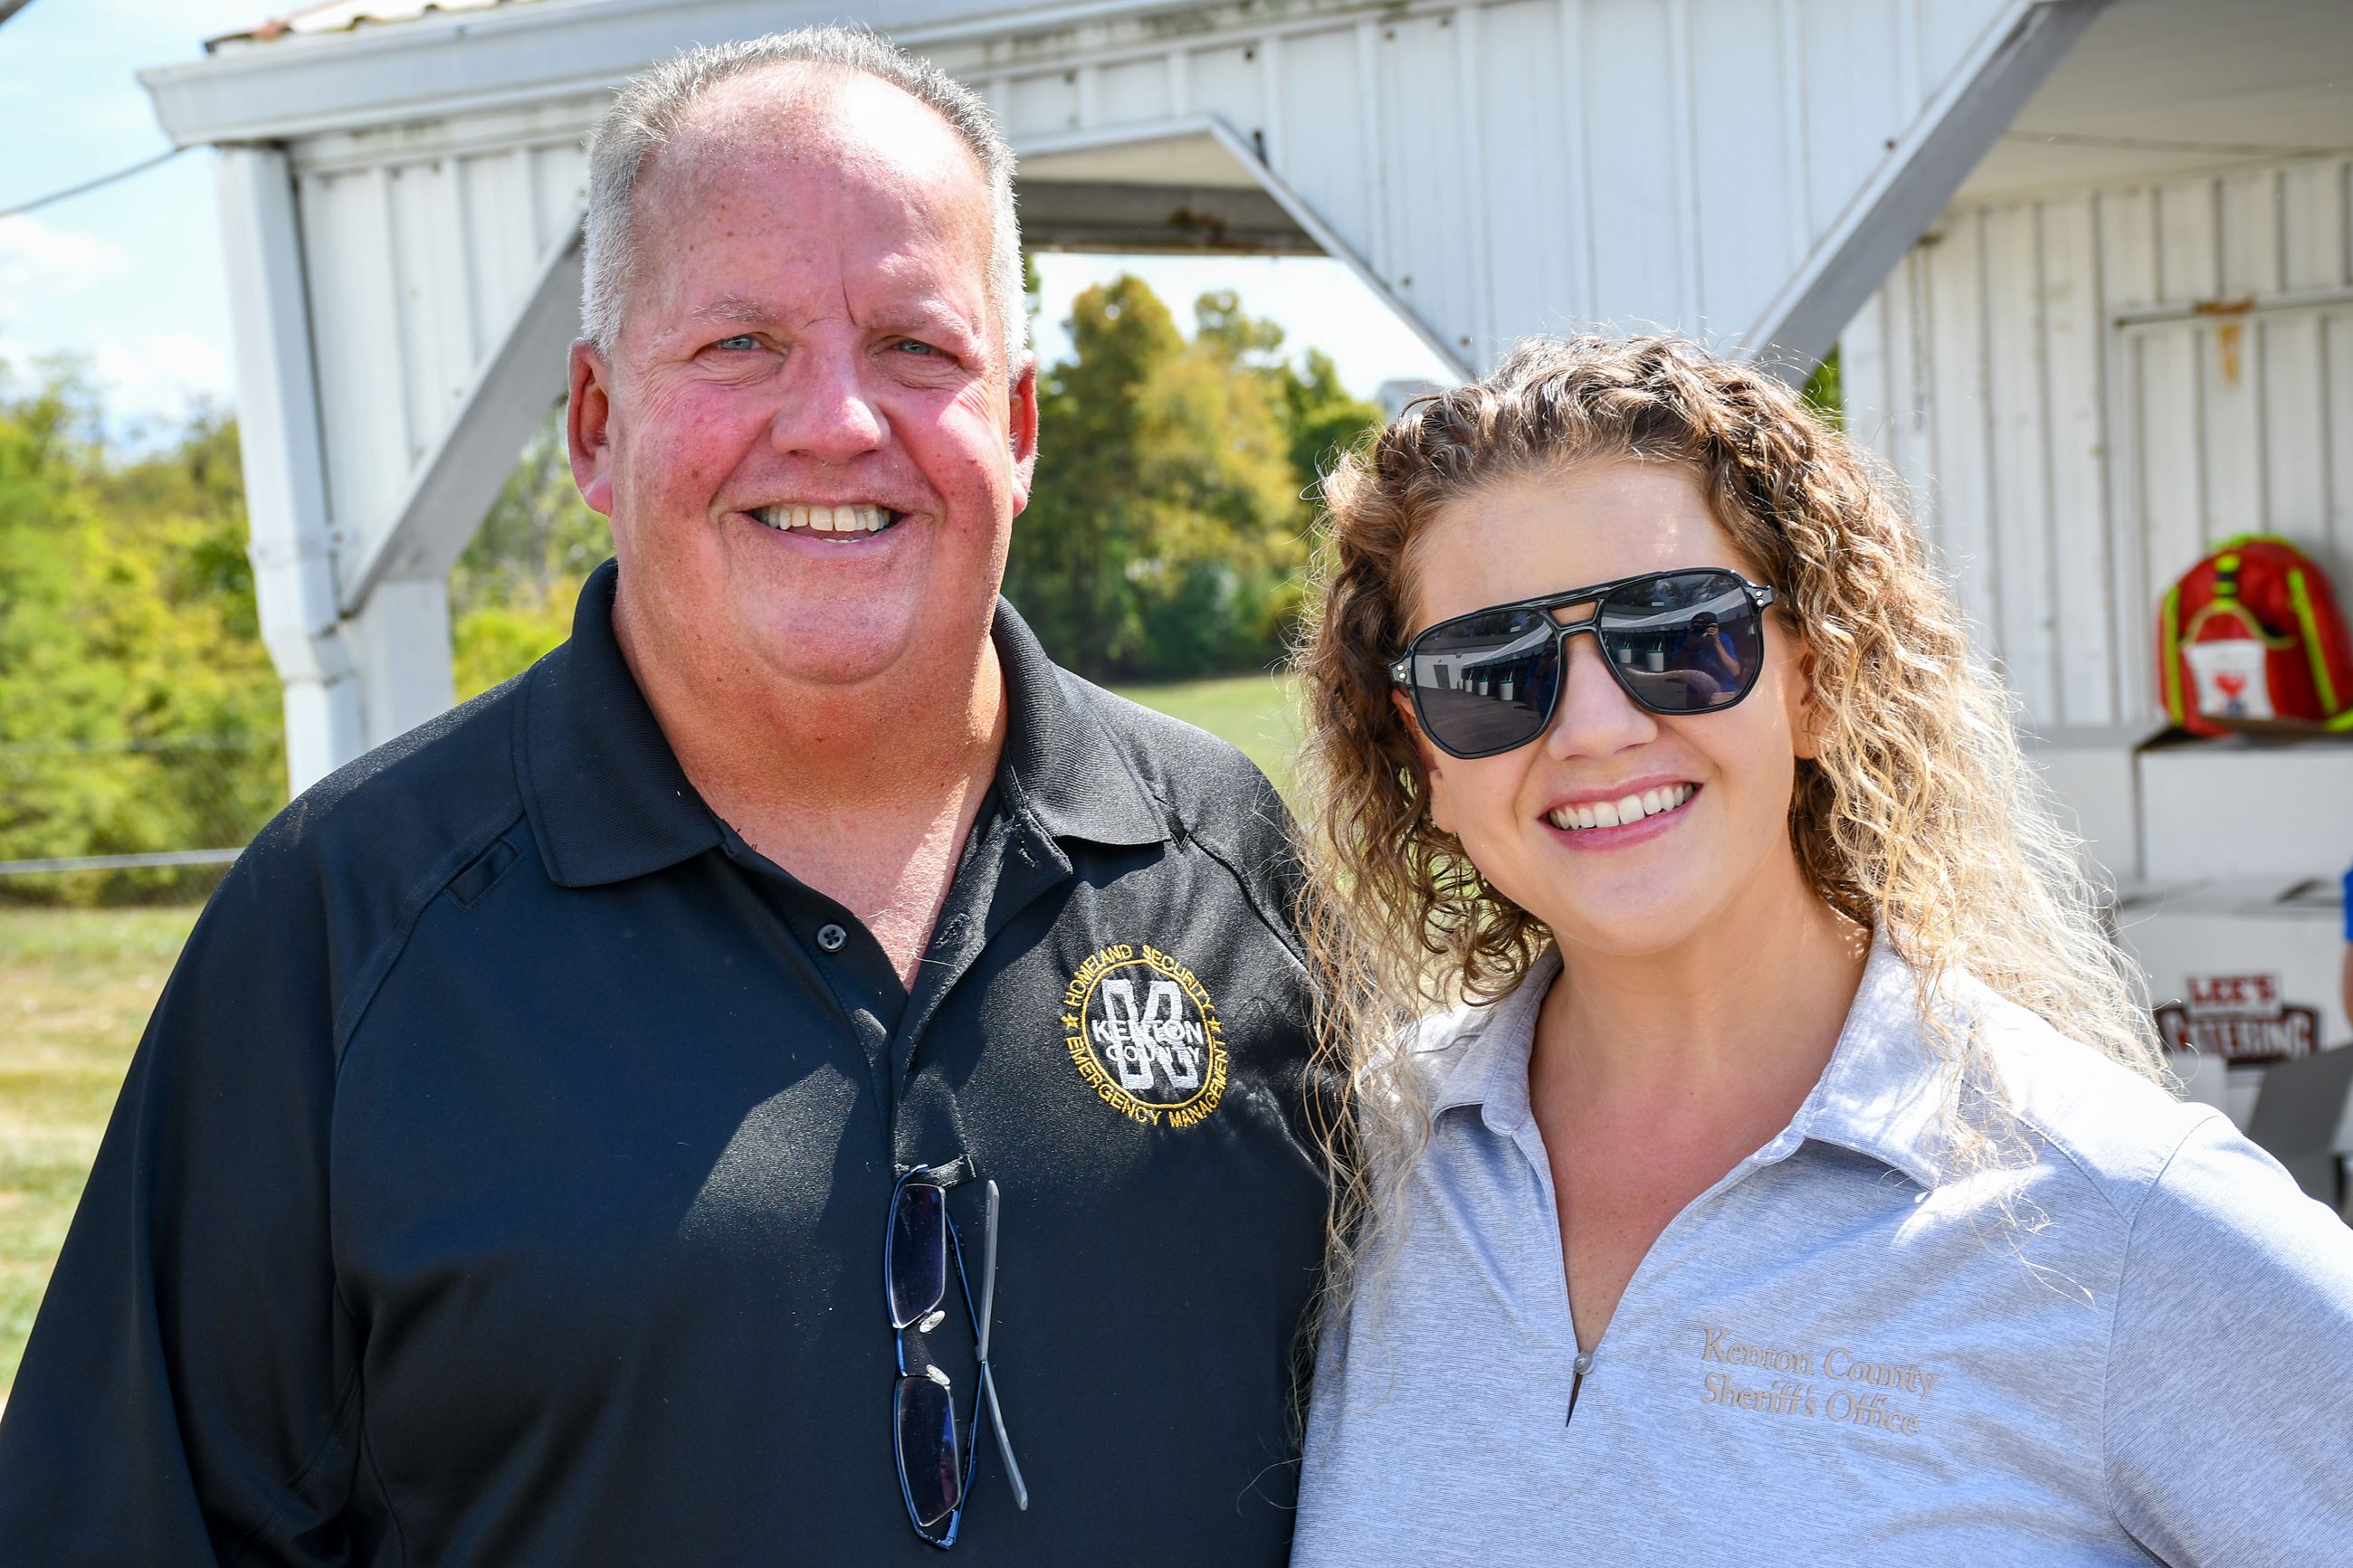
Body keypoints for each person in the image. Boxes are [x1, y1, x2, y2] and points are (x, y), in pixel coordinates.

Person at [0, 29, 1327, 1565]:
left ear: (1017, 429)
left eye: (918, 346)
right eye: (738, 345)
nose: (837, 420)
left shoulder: (1227, 865)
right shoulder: (345, 926)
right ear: (593, 424)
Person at [1287, 336, 2353, 1565]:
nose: (1592, 726)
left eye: (1678, 633)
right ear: (1425, 755)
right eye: (1491, 672)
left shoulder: (2115, 1212)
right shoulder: (1354, 1172)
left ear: (1814, 678)